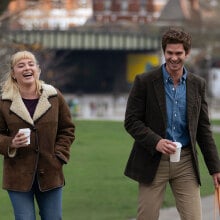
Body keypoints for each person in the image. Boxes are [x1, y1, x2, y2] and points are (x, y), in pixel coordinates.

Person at [124, 27, 220, 220]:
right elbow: (131, 121)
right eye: (169, 53)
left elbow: (203, 129)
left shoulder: (197, 84)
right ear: (164, 52)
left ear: (187, 53)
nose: (174, 58)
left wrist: (215, 168)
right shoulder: (144, 81)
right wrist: (156, 141)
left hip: (185, 161)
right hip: (153, 160)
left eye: (178, 53)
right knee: (147, 217)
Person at [0, 50, 75, 220]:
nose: (27, 68)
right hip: (17, 175)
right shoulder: (4, 102)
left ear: (38, 70)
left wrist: (60, 156)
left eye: (30, 64)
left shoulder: (54, 97)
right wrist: (11, 143)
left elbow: (67, 129)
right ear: (13, 73)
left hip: (50, 172)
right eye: (21, 65)